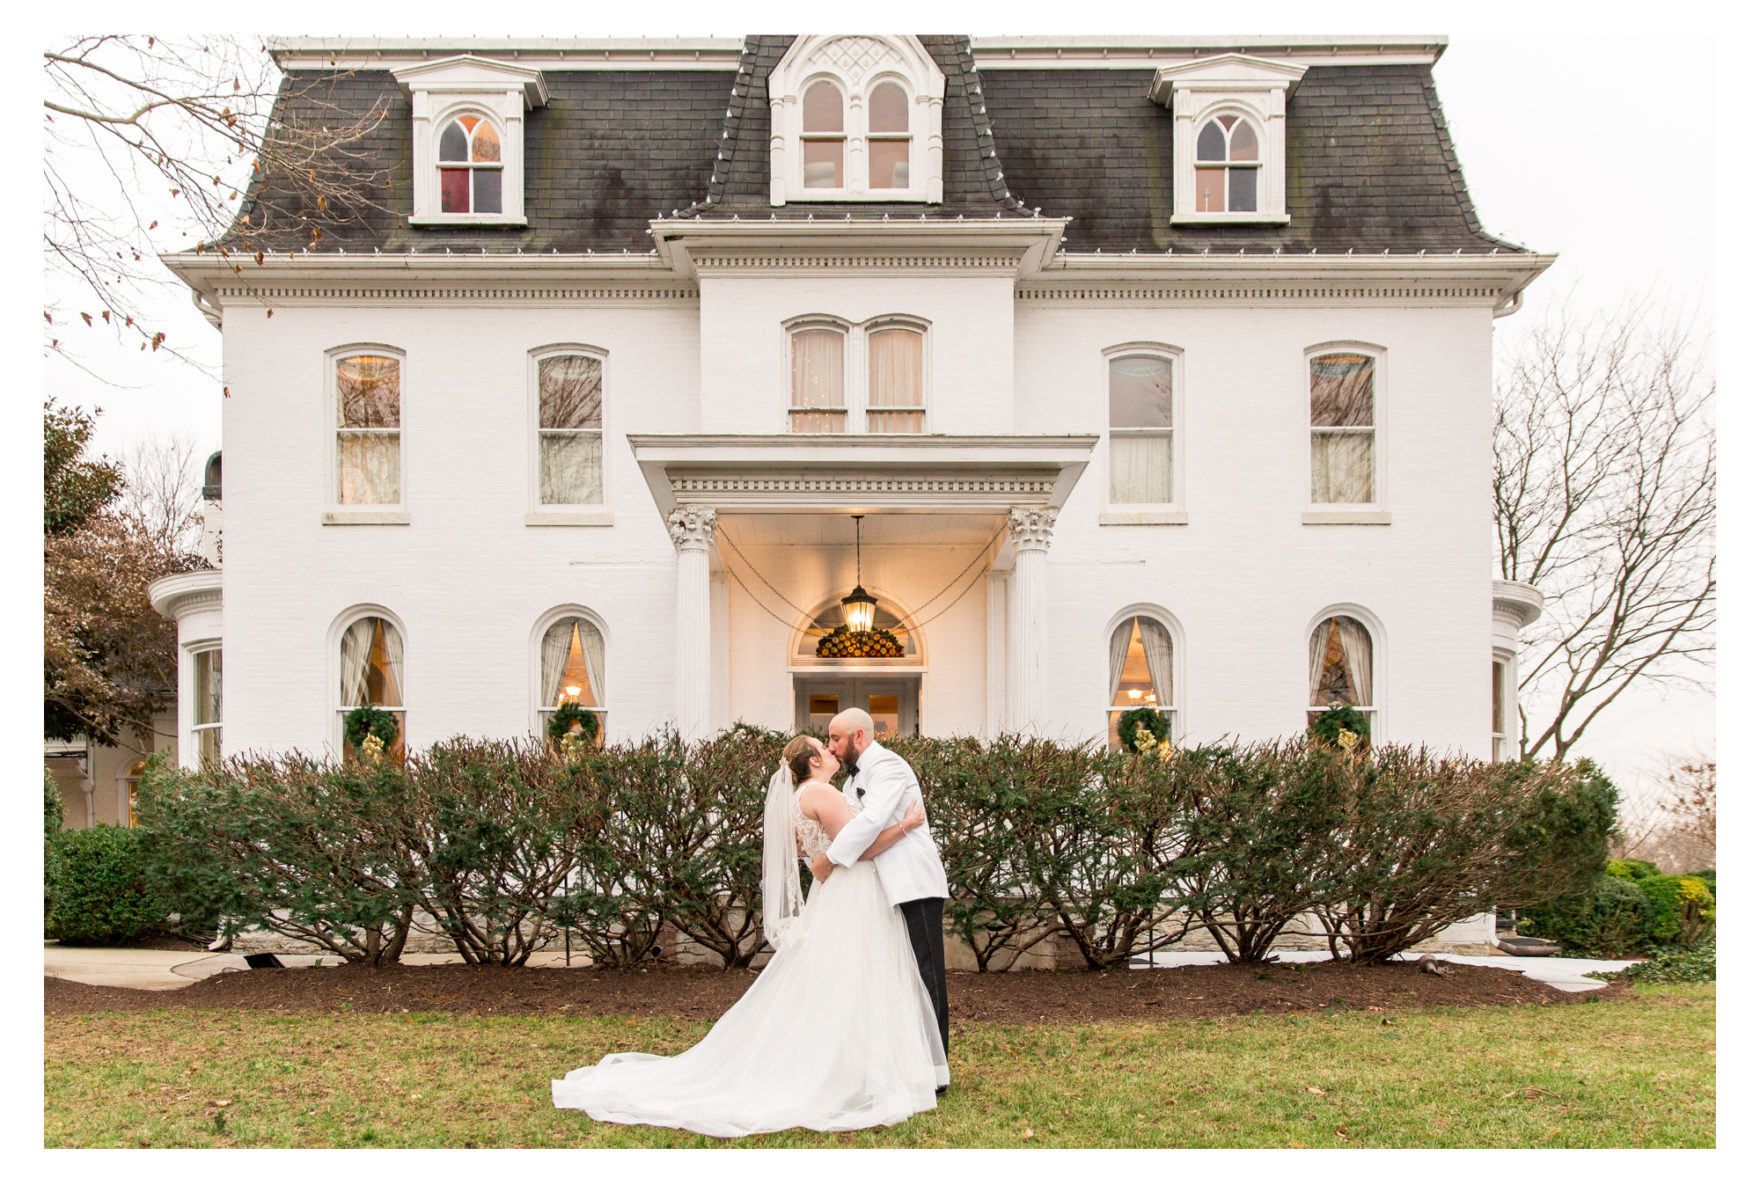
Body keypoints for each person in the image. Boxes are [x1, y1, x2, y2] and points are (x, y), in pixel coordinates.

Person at [550, 733, 948, 1137]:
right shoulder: (823, 795)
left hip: (835, 892)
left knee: (839, 978)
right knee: (855, 976)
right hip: (852, 891)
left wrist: (823, 859)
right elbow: (859, 848)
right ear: (812, 762)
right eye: (824, 747)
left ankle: (859, 1063)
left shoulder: (802, 798)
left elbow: (817, 852)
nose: (831, 751)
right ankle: (854, 1070)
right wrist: (905, 825)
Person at [811, 707, 952, 1089]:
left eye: (836, 739)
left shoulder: (888, 766)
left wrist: (831, 860)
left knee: (927, 976)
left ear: (859, 736)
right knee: (900, 977)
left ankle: (938, 1071)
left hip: (913, 883)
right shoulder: (848, 780)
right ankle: (909, 1061)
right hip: (882, 888)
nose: (832, 747)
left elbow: (871, 821)